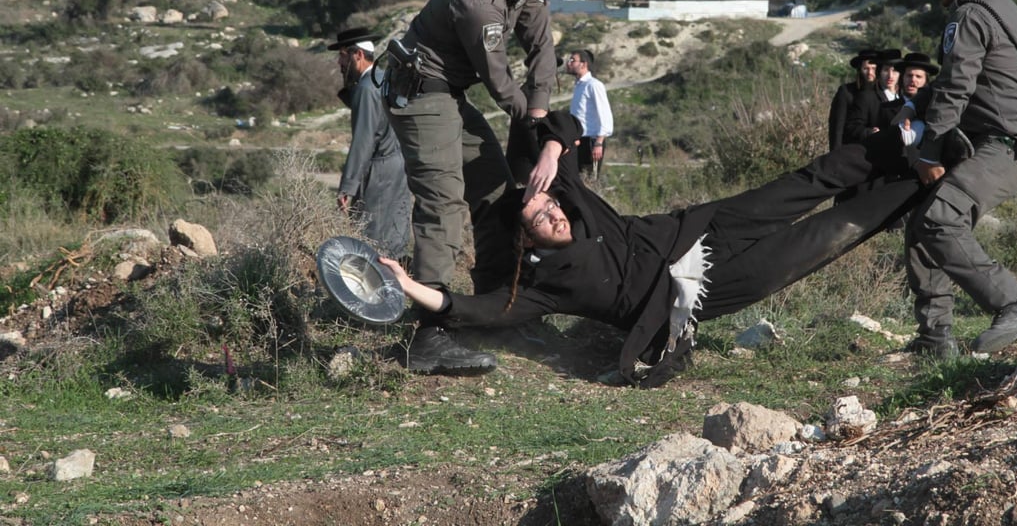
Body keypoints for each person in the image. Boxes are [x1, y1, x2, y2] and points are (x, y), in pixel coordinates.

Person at [378, 109, 926, 387]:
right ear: (528, 240)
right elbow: (475, 309)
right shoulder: (545, 287)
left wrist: (549, 148)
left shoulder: (567, 196)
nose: (555, 215)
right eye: (541, 219)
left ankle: (902, 142)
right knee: (819, 239)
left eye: (550, 206)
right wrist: (409, 287)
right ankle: (917, 185)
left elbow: (550, 124)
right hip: (692, 291)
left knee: (799, 185)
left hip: (698, 229)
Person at [383, 0, 579, 375]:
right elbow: (498, 81)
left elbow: (541, 46)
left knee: (495, 191)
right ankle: (429, 334)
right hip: (420, 93)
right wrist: (533, 126)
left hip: (448, 93)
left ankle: (495, 311)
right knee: (443, 201)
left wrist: (540, 111)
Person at [905, 0, 1017, 359]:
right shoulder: (1001, 5)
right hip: (1007, 143)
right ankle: (936, 339)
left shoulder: (968, 15)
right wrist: (914, 105)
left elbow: (956, 87)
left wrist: (929, 151)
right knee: (920, 225)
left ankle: (1014, 303)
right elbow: (958, 79)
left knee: (939, 218)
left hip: (1005, 146)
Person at [327, 28, 412, 259]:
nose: (339, 62)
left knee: (372, 241)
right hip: (398, 169)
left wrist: (348, 186)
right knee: (394, 237)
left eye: (343, 55)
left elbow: (363, 141)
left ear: (358, 55)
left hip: (379, 174)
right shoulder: (383, 78)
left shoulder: (366, 88)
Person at [566, 49, 613, 179]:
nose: (568, 63)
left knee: (589, 180)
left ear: (583, 64)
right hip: (578, 140)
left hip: (591, 141)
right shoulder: (579, 86)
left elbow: (604, 114)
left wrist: (599, 142)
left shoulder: (594, 85)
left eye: (572, 60)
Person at [845, 48, 903, 144]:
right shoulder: (866, 97)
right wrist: (869, 132)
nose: (890, 76)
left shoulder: (905, 97)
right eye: (886, 70)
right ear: (879, 72)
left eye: (895, 71)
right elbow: (852, 127)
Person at [828, 49, 877, 150]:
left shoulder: (883, 93)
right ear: (860, 69)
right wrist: (835, 153)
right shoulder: (846, 92)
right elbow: (837, 127)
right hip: (850, 148)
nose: (870, 73)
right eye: (866, 68)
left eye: (873, 68)